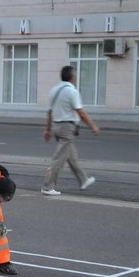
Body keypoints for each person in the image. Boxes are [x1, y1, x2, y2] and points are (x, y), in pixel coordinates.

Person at [41, 65, 100, 195]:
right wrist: (93, 126)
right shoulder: (71, 91)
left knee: (71, 156)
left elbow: (49, 113)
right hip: (67, 128)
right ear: (72, 78)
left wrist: (47, 130)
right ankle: (47, 186)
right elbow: (81, 112)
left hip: (56, 126)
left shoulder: (53, 90)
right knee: (57, 159)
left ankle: (83, 180)